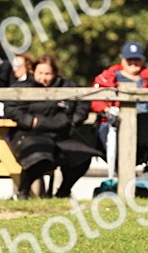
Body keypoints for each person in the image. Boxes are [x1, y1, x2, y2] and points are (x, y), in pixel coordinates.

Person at [92, 41, 148, 194]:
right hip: (116, 126)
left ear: (143, 60)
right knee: (117, 143)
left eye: (137, 59)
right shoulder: (109, 78)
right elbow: (95, 100)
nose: (133, 63)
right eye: (129, 59)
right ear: (122, 59)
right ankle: (124, 189)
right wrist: (107, 109)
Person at [5, 54, 95, 198]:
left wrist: (73, 120)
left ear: (55, 73)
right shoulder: (22, 87)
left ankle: (63, 192)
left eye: (48, 74)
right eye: (40, 73)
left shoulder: (67, 86)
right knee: (40, 157)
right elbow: (10, 109)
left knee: (83, 156)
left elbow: (83, 104)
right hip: (29, 135)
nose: (44, 78)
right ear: (33, 71)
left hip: (61, 135)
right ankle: (23, 191)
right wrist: (30, 121)